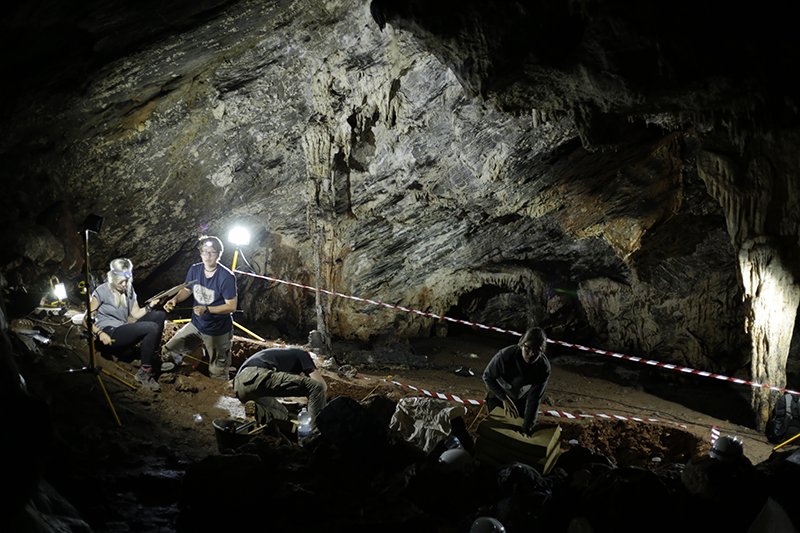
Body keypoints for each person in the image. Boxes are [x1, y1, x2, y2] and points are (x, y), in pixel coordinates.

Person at [86, 258, 170, 391]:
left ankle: (150, 358)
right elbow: (87, 319)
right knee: (151, 327)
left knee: (159, 315)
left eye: (127, 281)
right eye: (121, 282)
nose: (125, 284)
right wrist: (100, 333)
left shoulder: (129, 290)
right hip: (110, 333)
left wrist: (150, 306)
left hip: (123, 329)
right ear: (113, 277)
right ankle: (144, 372)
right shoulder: (102, 291)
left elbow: (135, 314)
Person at [162, 236, 237, 379]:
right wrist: (175, 299)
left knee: (218, 371)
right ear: (200, 253)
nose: (208, 256)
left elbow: (231, 306)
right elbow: (187, 290)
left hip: (218, 330)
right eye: (205, 252)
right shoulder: (195, 269)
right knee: (169, 351)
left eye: (212, 252)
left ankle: (217, 397)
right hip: (197, 324)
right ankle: (172, 376)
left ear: (219, 254)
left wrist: (207, 309)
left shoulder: (226, 277)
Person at [233, 347, 327, 431]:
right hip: (257, 374)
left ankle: (259, 411)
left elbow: (285, 388)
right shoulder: (302, 354)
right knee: (315, 387)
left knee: (283, 413)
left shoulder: (279, 357)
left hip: (240, 387)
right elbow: (321, 386)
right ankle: (315, 433)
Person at [482, 326, 551, 435]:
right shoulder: (505, 356)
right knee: (496, 430)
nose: (531, 354)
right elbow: (487, 377)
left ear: (542, 352)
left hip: (521, 398)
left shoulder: (543, 368)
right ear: (521, 344)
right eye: (528, 348)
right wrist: (505, 399)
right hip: (498, 395)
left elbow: (534, 399)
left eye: (537, 350)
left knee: (518, 430)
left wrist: (527, 427)